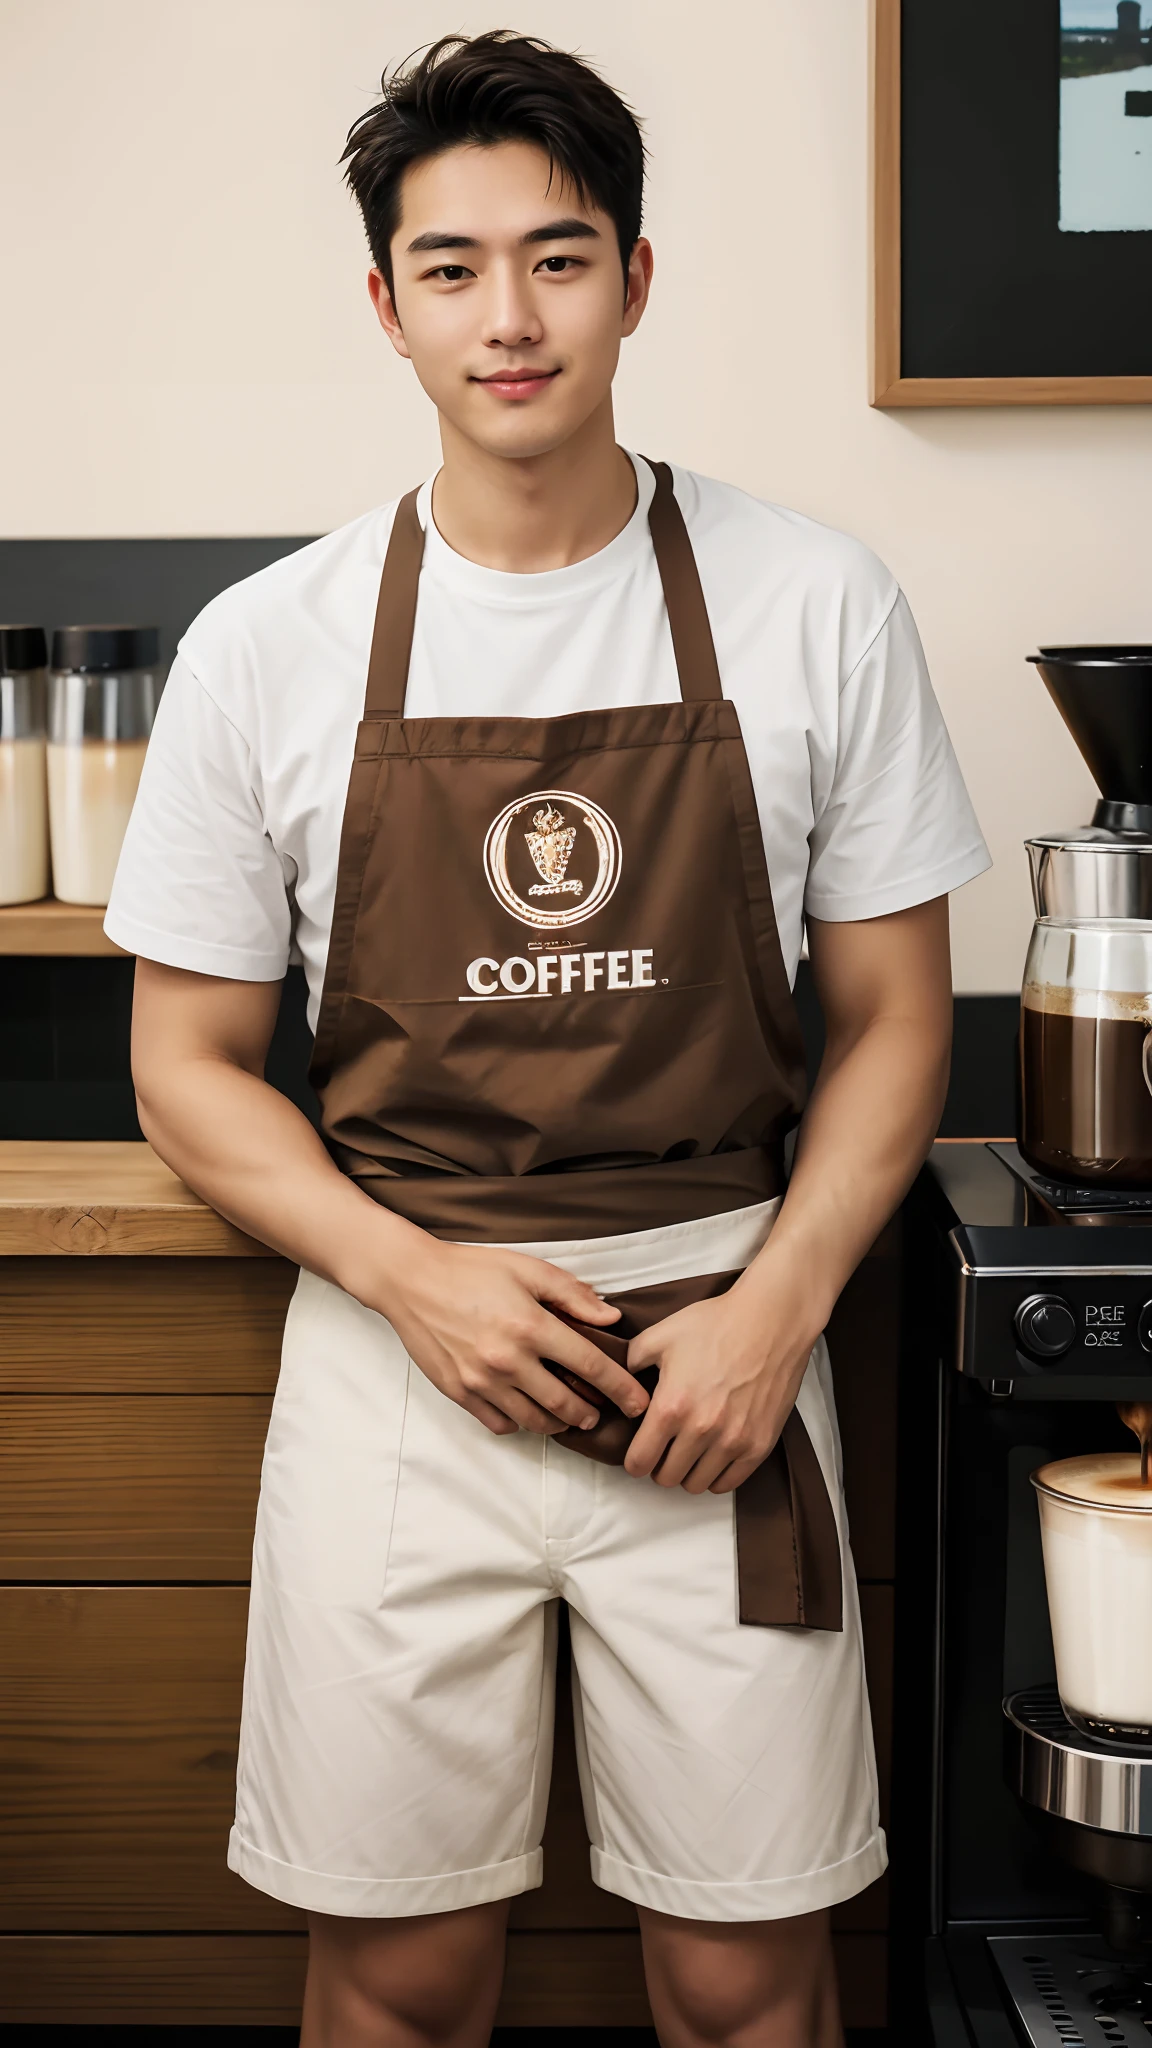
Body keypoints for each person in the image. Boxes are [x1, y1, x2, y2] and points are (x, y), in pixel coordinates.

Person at [105, 30, 989, 2048]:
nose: (509, 317)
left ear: (638, 278)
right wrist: (413, 1280)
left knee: (751, 1970)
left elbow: (895, 1019)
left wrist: (778, 1313)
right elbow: (186, 1064)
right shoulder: (273, 641)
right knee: (399, 1971)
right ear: (387, 303)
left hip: (726, 1357)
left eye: (560, 258)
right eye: (453, 267)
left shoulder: (816, 603)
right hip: (404, 1369)